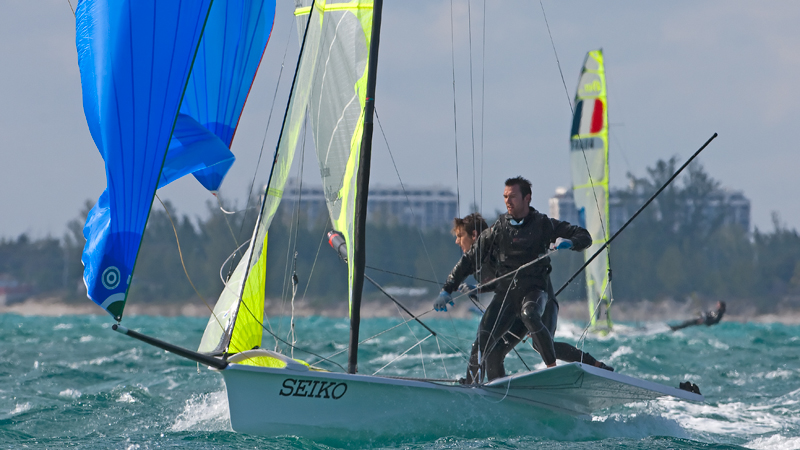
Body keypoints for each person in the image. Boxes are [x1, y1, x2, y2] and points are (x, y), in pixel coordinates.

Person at [434, 176, 592, 382]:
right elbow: (469, 259)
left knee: (530, 316)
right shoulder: (499, 228)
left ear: (527, 198)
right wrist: (447, 288)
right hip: (507, 295)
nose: (508, 201)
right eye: (505, 197)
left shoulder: (543, 224)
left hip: (535, 291)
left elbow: (584, 236)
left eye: (513, 196)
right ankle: (473, 387)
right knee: (482, 342)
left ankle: (553, 370)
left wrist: (570, 242)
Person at [451, 212, 613, 384]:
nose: (457, 241)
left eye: (460, 236)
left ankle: (595, 365)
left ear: (474, 235)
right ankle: (493, 389)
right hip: (515, 309)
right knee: (494, 350)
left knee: (542, 344)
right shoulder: (479, 262)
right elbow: (502, 283)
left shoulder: (501, 248)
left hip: (542, 302)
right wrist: (478, 288)